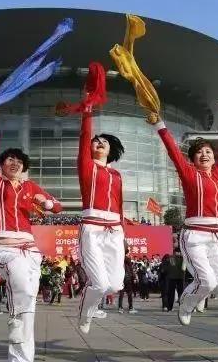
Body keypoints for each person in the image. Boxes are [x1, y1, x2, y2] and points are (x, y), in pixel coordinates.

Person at [0, 102, 62, 362]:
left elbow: (57, 207)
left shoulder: (30, 187)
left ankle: (21, 358)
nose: (14, 163)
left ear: (24, 166)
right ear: (2, 164)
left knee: (29, 301)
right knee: (21, 286)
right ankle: (15, 321)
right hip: (3, 250)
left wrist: (47, 203)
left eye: (18, 161)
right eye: (9, 159)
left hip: (30, 251)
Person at [151, 118, 218, 326]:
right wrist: (160, 126)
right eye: (199, 152)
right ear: (193, 159)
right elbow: (173, 151)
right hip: (194, 236)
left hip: (216, 237)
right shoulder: (188, 173)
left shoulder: (216, 175)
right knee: (208, 282)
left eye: (208, 151)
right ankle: (186, 305)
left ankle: (199, 292)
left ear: (213, 158)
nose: (204, 154)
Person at [73, 101, 126, 335]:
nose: (99, 143)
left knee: (115, 284)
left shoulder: (116, 174)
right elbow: (85, 136)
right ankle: (86, 313)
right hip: (92, 228)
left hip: (115, 230)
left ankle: (91, 307)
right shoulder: (87, 166)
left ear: (111, 150)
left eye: (104, 142)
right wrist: (88, 111)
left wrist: (124, 234)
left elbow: (120, 206)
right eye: (96, 141)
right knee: (100, 283)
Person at [118, 249, 137, 314]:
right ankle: (130, 308)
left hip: (121, 277)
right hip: (128, 278)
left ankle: (120, 308)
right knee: (129, 293)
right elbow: (131, 269)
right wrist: (134, 277)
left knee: (121, 293)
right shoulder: (128, 259)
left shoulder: (119, 259)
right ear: (127, 253)